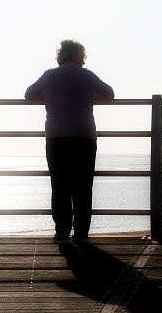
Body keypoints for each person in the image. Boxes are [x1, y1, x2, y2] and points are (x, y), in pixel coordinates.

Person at [25, 40, 115, 244]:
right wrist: (92, 96)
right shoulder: (87, 75)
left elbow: (29, 94)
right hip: (84, 135)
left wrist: (47, 98)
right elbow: (109, 94)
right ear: (79, 56)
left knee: (60, 185)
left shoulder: (49, 76)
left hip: (57, 136)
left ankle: (62, 232)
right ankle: (81, 234)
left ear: (60, 56)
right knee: (83, 186)